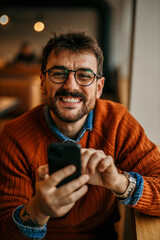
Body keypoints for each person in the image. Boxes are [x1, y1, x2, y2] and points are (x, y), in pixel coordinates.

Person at [0, 32, 160, 240]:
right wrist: (38, 210)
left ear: (99, 87)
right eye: (58, 73)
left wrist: (119, 183)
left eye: (84, 75)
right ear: (42, 82)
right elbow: (5, 230)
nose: (71, 86)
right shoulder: (15, 135)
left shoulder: (118, 122)